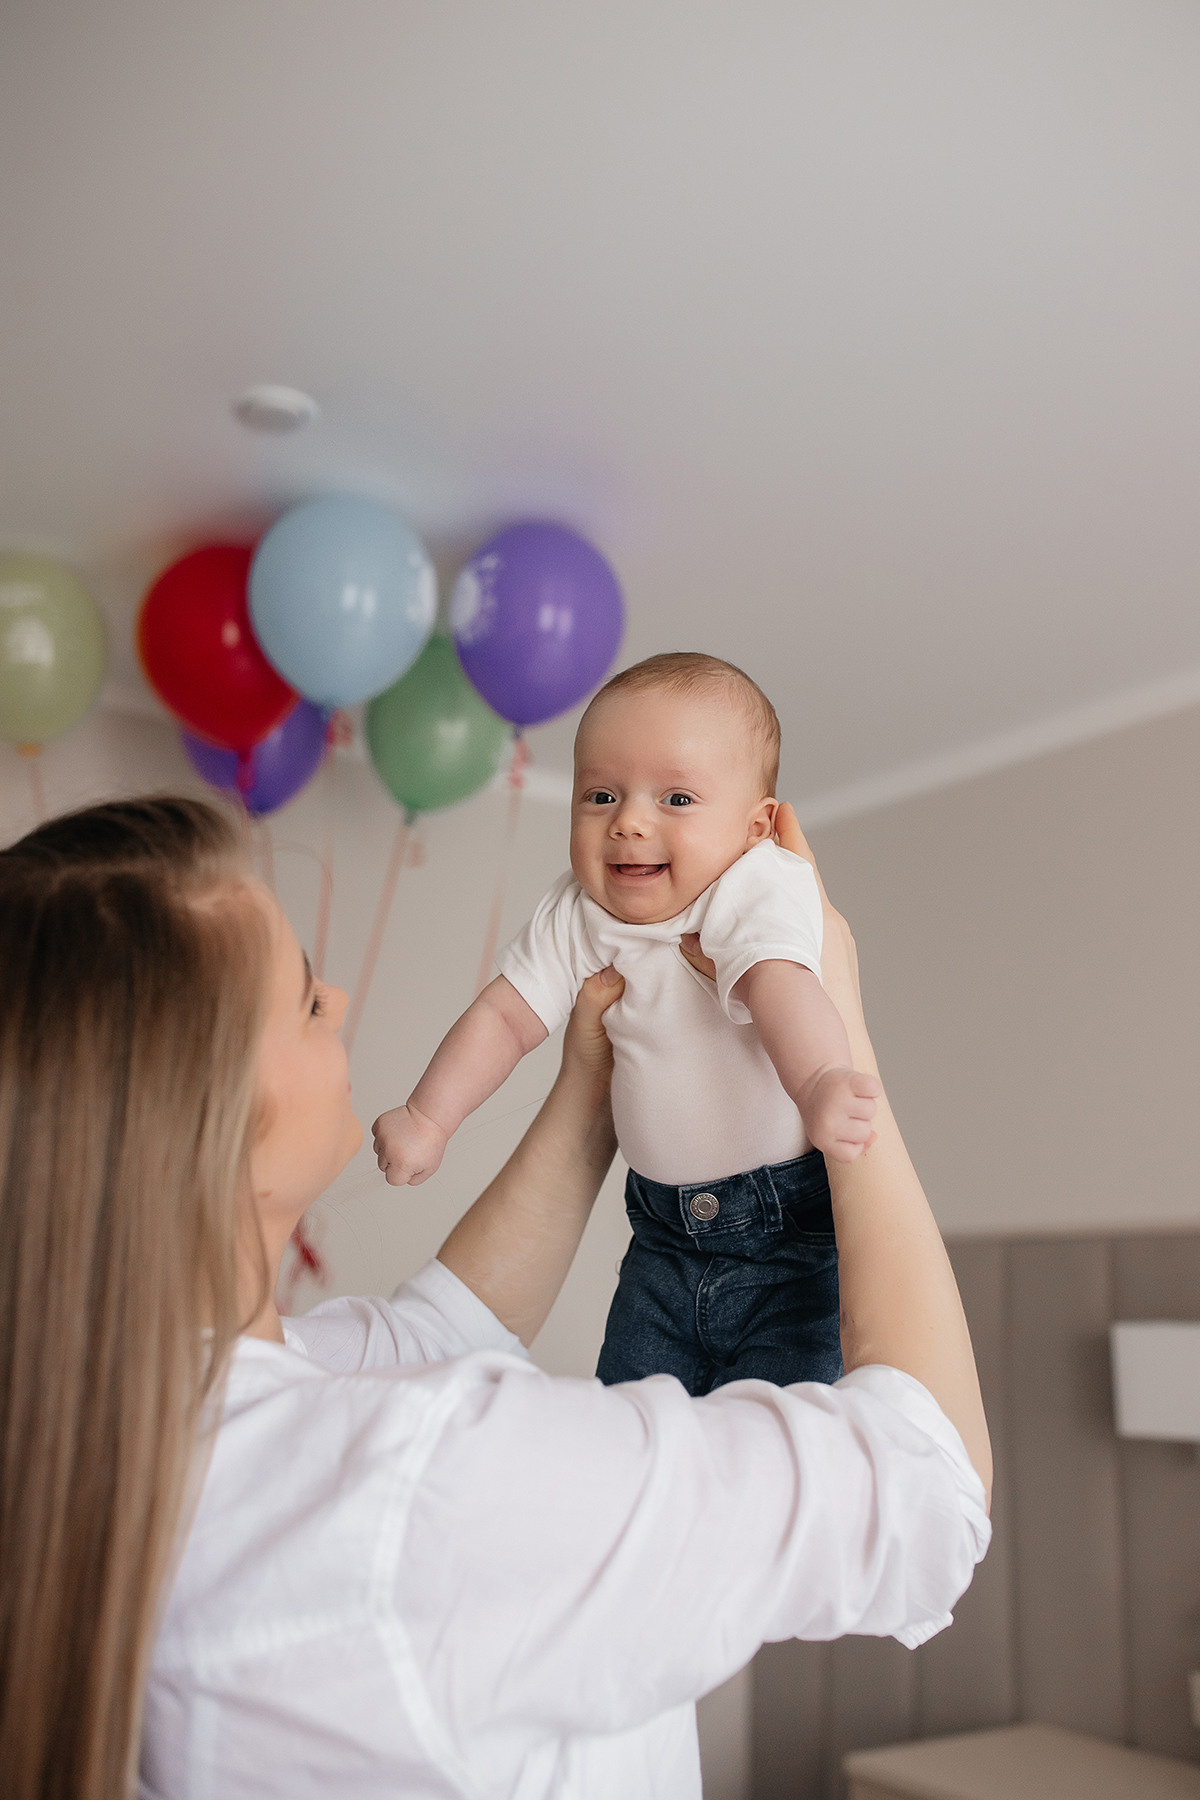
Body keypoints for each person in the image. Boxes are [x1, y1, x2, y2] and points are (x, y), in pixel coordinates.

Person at [0, 794, 991, 1800]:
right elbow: (929, 1485)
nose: (336, 1001)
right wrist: (839, 1030)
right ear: (202, 1128)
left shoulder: (132, 1427)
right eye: (304, 1003)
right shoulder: (435, 1494)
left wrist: (603, 1061)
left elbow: (441, 1327)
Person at [373, 652, 881, 1394]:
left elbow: (784, 988)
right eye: (601, 795)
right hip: (661, 1241)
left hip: (785, 1241)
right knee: (629, 1410)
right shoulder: (579, 914)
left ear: (756, 827)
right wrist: (429, 1116)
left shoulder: (754, 885)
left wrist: (823, 1081)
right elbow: (504, 1016)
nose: (629, 823)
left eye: (676, 799)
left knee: (770, 1435)